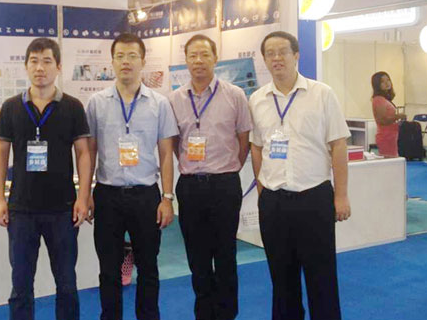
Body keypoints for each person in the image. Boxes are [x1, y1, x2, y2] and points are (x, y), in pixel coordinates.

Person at [248, 31, 351, 320]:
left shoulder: (322, 94)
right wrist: (262, 190)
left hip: (314, 197)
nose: (276, 58)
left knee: (322, 277)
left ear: (296, 55)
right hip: (274, 202)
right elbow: (257, 147)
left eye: (282, 52)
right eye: (270, 53)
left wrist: (341, 195)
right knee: (282, 279)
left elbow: (338, 144)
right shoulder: (257, 99)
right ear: (265, 60)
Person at [0, 38, 92, 320]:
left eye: (47, 61)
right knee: (21, 286)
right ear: (26, 66)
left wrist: (83, 197)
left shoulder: (73, 107)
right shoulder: (11, 107)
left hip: (63, 209)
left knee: (67, 284)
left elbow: (83, 153)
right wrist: (0, 199)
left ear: (58, 67)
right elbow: (1, 154)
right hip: (21, 210)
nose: (40, 68)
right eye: (34, 61)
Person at [86, 32, 178, 320]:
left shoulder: (159, 103)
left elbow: (166, 153)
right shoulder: (97, 103)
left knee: (148, 267)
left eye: (132, 56)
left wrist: (167, 198)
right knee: (108, 269)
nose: (126, 61)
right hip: (107, 195)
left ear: (143, 61)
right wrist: (86, 193)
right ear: (112, 62)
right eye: (120, 56)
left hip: (145, 195)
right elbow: (89, 152)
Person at [168, 34, 252, 320]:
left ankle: (227, 314)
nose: (199, 61)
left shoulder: (234, 95)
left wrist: (228, 168)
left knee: (225, 254)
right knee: (197, 256)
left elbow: (244, 140)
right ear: (186, 61)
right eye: (193, 55)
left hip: (224, 184)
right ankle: (204, 312)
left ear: (215, 58)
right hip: (190, 186)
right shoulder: (175, 99)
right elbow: (175, 144)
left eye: (205, 54)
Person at [371, 71, 406, 157]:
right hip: (386, 137)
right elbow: (382, 120)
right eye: (383, 82)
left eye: (388, 80)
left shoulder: (385, 99)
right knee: (390, 161)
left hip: (392, 136)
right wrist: (398, 116)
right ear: (377, 85)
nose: (387, 83)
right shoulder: (378, 99)